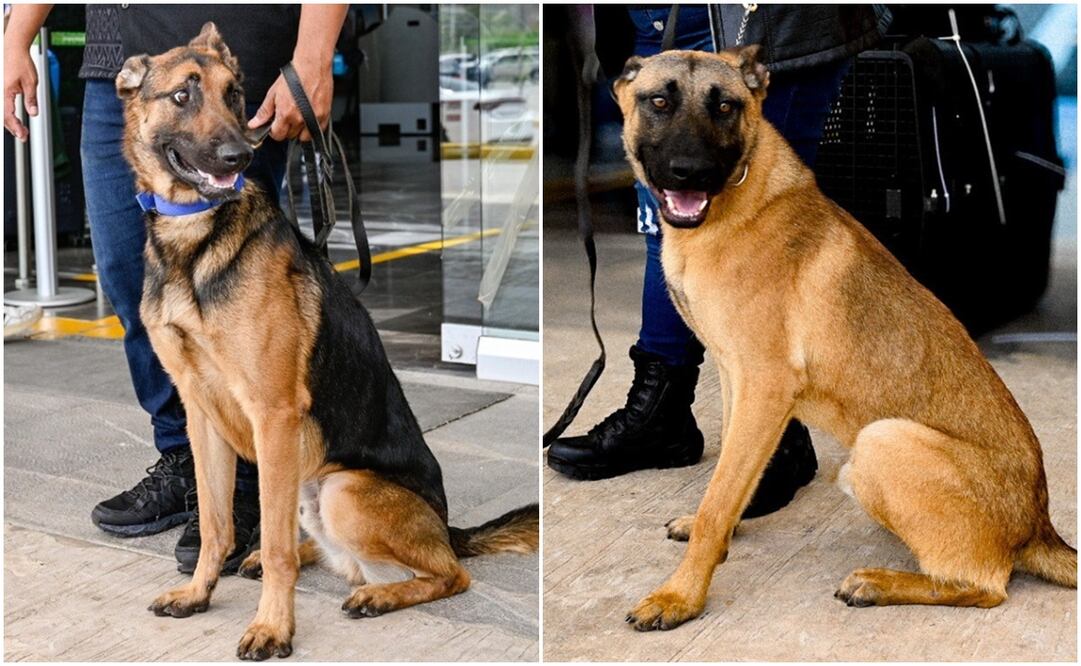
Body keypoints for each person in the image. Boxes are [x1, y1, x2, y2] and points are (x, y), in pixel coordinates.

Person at [3, 3, 347, 572]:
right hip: (116, 57)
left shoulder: (226, 79)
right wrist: (16, 34)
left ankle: (249, 479)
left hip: (241, 49)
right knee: (127, 275)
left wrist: (313, 55)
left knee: (242, 301)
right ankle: (185, 461)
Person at [547, 5, 892, 518]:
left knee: (764, 234)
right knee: (668, 220)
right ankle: (663, 409)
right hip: (661, 18)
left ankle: (778, 443)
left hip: (778, 23)